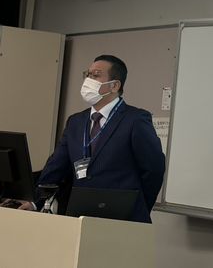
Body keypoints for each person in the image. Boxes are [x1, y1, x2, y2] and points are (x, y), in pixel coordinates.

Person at [3, 55, 165, 223]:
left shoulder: (135, 119)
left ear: (115, 85)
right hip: (80, 214)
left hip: (122, 217)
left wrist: (138, 207)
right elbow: (56, 166)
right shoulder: (76, 122)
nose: (89, 80)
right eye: (87, 74)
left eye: (96, 75)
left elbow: (154, 169)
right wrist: (34, 201)